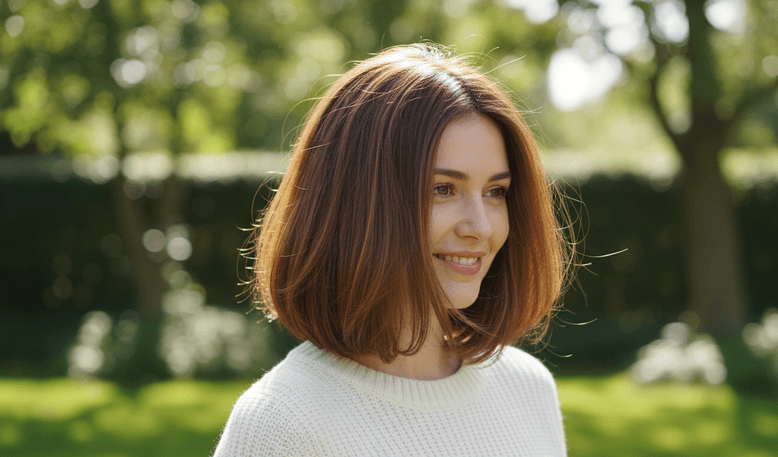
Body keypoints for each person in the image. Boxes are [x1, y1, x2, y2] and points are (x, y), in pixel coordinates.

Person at [213, 43, 572, 456]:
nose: (481, 226)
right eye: (443, 189)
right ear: (356, 204)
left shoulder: (528, 388)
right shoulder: (283, 423)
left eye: (496, 191)